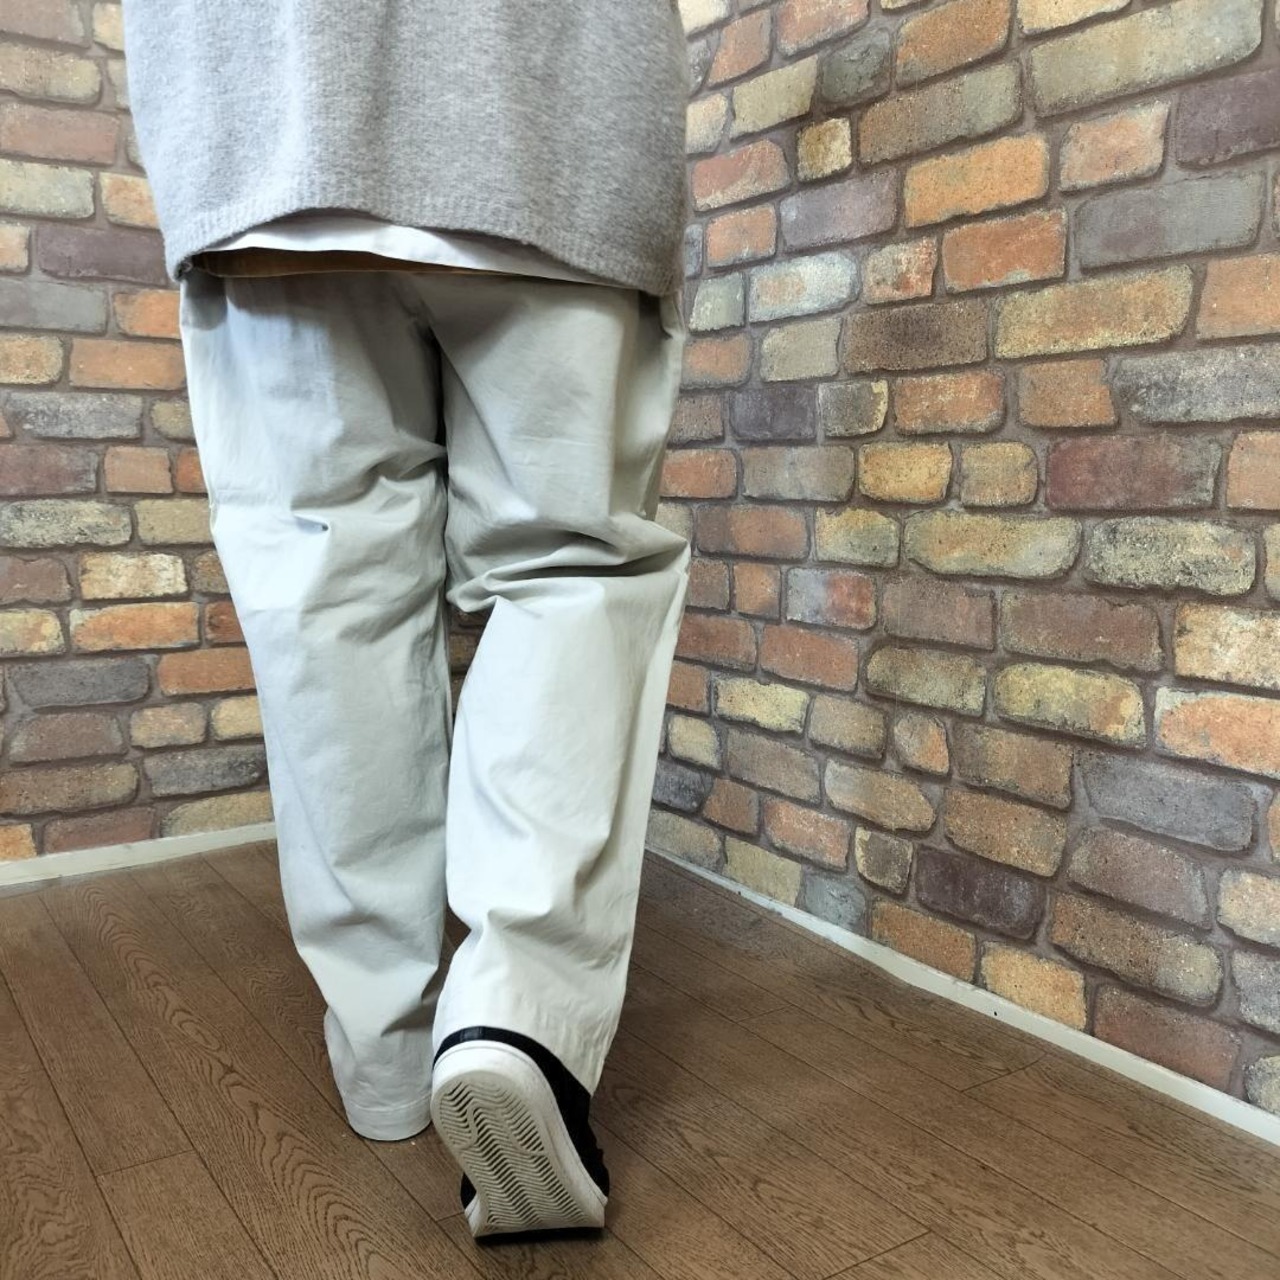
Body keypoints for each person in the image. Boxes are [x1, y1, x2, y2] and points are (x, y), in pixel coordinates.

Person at [123, 0, 691, 1239]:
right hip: (546, 115)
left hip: (265, 117)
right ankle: (515, 1022)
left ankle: (384, 1054)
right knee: (566, 566)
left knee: (325, 600)